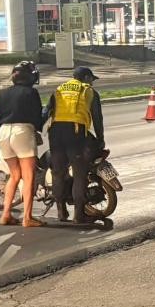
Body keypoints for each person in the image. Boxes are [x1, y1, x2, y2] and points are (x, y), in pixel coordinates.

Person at [0, 61, 46, 227]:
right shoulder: (31, 92)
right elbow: (37, 117)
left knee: (14, 175)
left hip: (3, 132)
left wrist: (5, 126)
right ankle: (27, 218)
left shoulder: (2, 93)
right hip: (22, 131)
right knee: (28, 176)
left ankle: (5, 214)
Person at [46, 66, 105, 224]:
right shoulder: (89, 91)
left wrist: (36, 129)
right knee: (80, 173)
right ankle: (79, 215)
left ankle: (61, 211)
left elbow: (47, 111)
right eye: (91, 79)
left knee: (58, 172)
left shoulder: (59, 89)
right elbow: (97, 118)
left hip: (55, 132)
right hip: (75, 132)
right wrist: (100, 139)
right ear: (86, 78)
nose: (92, 83)